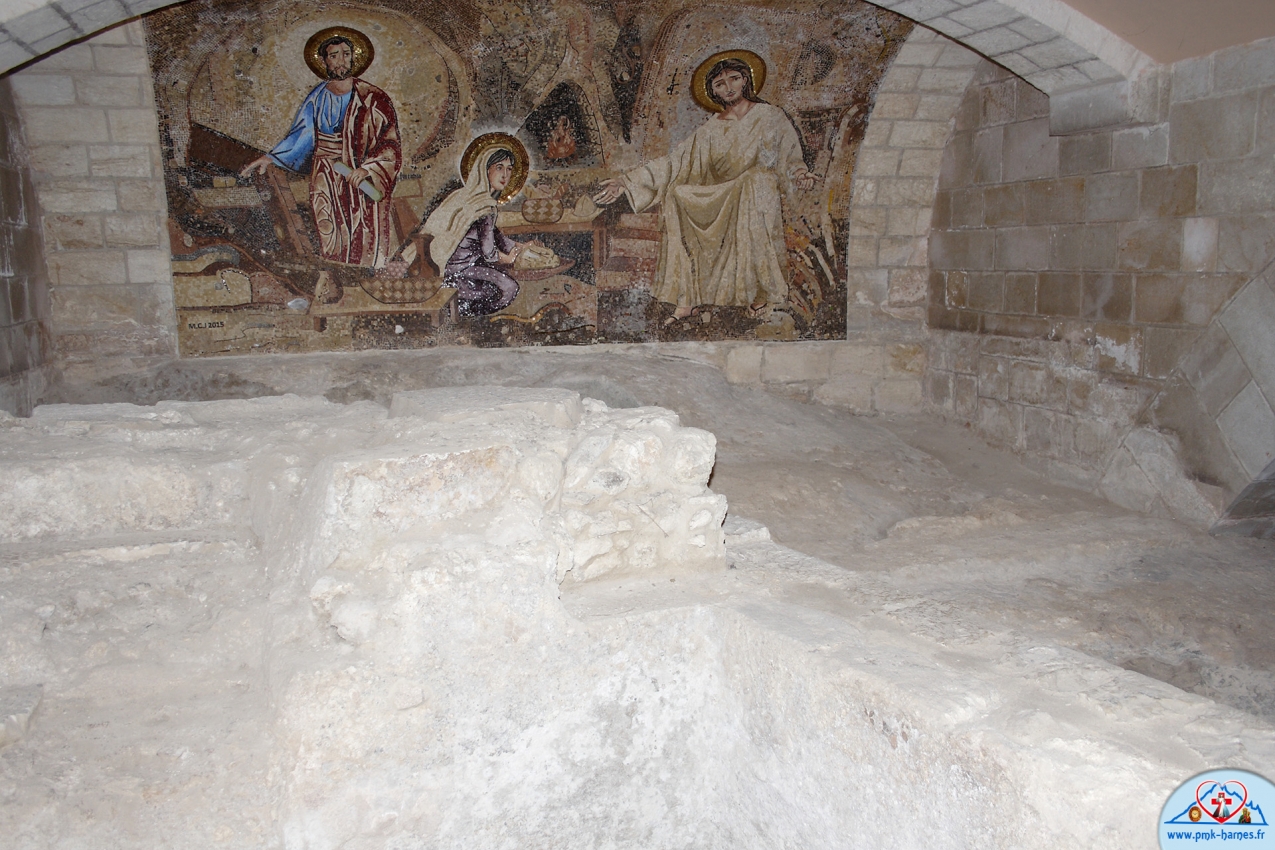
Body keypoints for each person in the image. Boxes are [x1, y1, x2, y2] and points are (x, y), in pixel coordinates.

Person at [594, 55, 815, 321]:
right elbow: (676, 162)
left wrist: (799, 174)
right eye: (720, 84)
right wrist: (626, 181)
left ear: (746, 80)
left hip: (755, 193)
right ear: (713, 91)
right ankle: (688, 299)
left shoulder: (770, 116)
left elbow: (790, 156)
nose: (728, 87)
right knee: (676, 193)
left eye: (734, 79)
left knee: (755, 179)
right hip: (724, 194)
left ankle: (759, 294)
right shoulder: (712, 128)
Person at [241, 32, 401, 268]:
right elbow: (302, 135)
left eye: (346, 54)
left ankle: (364, 272)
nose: (341, 61)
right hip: (325, 171)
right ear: (324, 61)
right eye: (334, 56)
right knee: (328, 225)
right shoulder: (317, 97)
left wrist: (368, 169)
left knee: (361, 225)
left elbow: (390, 144)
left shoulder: (373, 98)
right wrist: (271, 157)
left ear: (354, 58)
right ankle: (337, 271)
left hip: (358, 175)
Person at [422, 146, 524, 316]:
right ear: (485, 170)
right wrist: (508, 258)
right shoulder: (484, 207)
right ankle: (465, 313)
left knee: (497, 278)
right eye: (499, 168)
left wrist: (521, 246)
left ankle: (462, 308)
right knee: (509, 288)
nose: (505, 175)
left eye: (509, 169)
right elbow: (489, 252)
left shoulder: (465, 197)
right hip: (458, 272)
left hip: (444, 268)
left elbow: (496, 236)